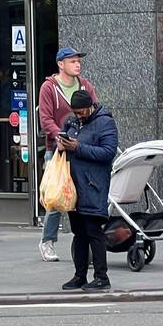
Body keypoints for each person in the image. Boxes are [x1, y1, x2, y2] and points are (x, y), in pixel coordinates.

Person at [36, 46, 98, 262]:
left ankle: (83, 243)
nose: (78, 64)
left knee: (82, 197)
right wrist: (62, 138)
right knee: (56, 198)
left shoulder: (85, 85)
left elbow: (95, 110)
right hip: (58, 151)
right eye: (72, 61)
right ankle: (47, 242)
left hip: (82, 149)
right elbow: (46, 120)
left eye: (79, 60)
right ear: (60, 64)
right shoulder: (49, 88)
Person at [59, 89, 119, 292]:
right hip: (73, 185)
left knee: (94, 231)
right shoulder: (71, 122)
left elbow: (108, 152)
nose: (78, 115)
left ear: (90, 106)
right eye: (75, 112)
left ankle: (102, 277)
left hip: (93, 184)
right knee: (79, 233)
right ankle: (80, 275)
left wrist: (78, 148)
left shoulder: (105, 122)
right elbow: (67, 144)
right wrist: (62, 145)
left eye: (81, 111)